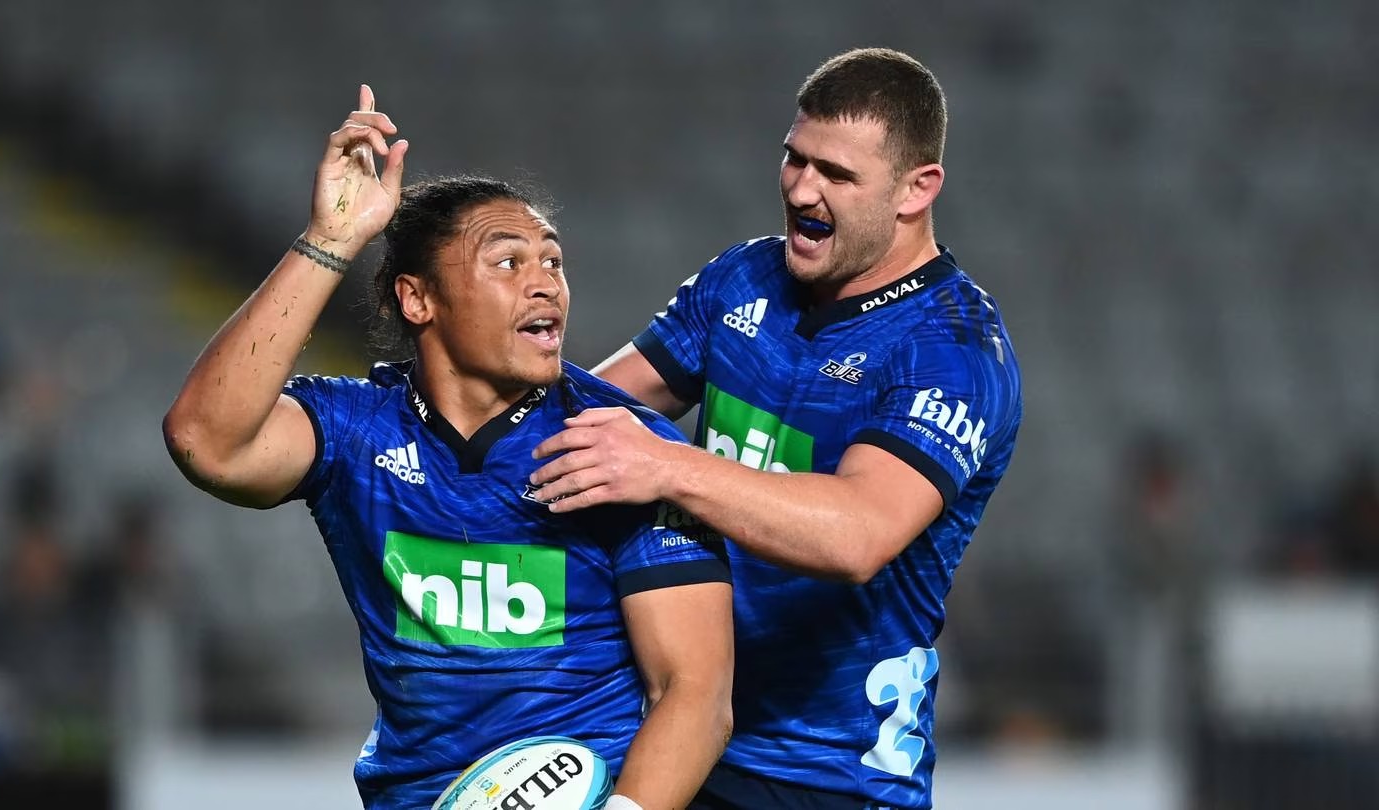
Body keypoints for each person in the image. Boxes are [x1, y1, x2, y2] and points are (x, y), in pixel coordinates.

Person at [162, 85, 733, 810]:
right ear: (418, 300)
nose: (545, 285)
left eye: (552, 262)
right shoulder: (356, 432)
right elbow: (203, 441)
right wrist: (332, 239)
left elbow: (696, 694)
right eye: (507, 262)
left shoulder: (625, 448)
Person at [530, 49, 1023, 808]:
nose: (800, 188)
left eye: (836, 174)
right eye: (794, 158)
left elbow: (858, 535)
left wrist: (669, 467)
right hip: (682, 733)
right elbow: (587, 413)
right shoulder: (744, 279)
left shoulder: (951, 352)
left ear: (916, 190)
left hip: (829, 774)